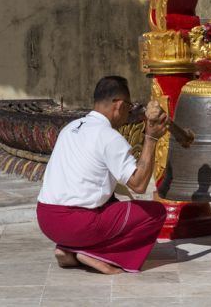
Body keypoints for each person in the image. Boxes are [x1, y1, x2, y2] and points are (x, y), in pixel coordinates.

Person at [36, 76, 168, 274]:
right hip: (78, 223)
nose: (128, 113)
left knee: (112, 202)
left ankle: (68, 249)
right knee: (156, 213)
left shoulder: (70, 128)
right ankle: (98, 254)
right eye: (129, 107)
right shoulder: (109, 137)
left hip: (46, 220)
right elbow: (139, 184)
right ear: (119, 105)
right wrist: (150, 138)